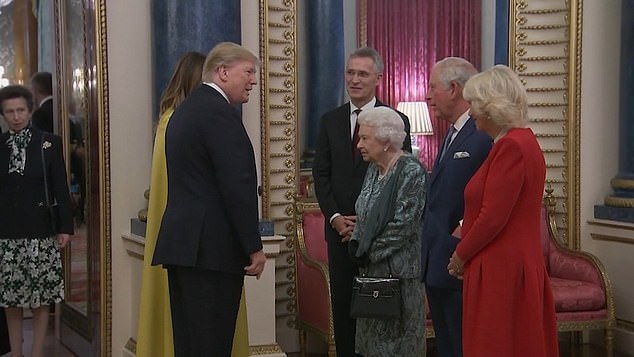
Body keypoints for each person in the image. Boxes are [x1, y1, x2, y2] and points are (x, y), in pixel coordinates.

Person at [151, 42, 266, 356]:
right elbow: (236, 185)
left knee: (190, 343)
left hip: (186, 247)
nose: (253, 80)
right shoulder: (218, 113)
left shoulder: (184, 111)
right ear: (224, 71)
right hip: (211, 251)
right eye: (249, 72)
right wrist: (253, 246)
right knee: (212, 344)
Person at [447, 65, 559, 357]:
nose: (470, 113)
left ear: (491, 107)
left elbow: (492, 218)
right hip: (508, 264)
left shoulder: (512, 146)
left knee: (497, 345)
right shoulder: (520, 142)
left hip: (501, 269)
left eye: (473, 105)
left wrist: (461, 255)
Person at [312, 46, 411, 356]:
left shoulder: (396, 120)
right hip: (341, 236)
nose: (354, 79)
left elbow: (398, 180)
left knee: (379, 317)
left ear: (377, 79)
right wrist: (336, 218)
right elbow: (321, 175)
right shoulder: (329, 121)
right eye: (350, 73)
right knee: (344, 313)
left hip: (380, 240)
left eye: (362, 74)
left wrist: (366, 224)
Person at [420, 57, 492, 357]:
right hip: (438, 260)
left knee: (464, 346)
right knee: (448, 344)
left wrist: (461, 236)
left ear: (453, 89)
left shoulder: (482, 135)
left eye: (432, 88)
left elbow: (487, 197)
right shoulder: (451, 135)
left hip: (461, 260)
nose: (427, 95)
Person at [0, 85, 73, 357]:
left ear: (30, 110)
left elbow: (60, 187)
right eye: (10, 111)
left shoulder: (48, 143)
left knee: (41, 297)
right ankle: (16, 352)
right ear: (3, 115)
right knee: (11, 298)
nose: (16, 116)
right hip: (6, 233)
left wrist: (65, 227)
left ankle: (37, 352)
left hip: (41, 231)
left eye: (20, 110)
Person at [349, 106, 428, 356]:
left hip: (400, 276)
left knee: (398, 347)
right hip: (372, 274)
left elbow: (404, 224)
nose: (359, 144)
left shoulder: (411, 171)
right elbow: (364, 215)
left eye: (365, 138)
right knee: (371, 347)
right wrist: (356, 242)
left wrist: (368, 251)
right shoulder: (373, 169)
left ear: (385, 140)